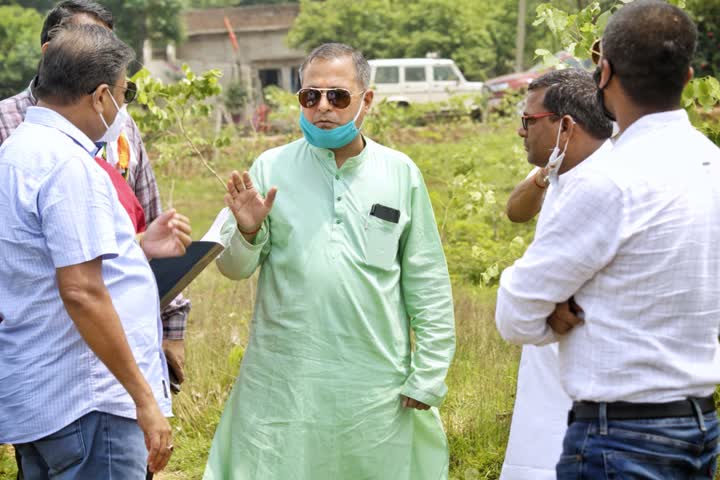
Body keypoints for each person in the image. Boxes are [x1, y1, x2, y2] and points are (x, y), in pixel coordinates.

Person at [204, 43, 456, 480]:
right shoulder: (270, 167)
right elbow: (234, 268)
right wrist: (246, 231)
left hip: (374, 382)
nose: (323, 107)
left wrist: (429, 373)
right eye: (310, 96)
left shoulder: (399, 172)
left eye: (338, 96)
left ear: (367, 100)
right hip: (285, 380)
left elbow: (427, 280)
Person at [495, 1, 720, 478]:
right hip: (698, 425)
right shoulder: (712, 165)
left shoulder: (610, 180)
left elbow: (515, 312)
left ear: (604, 73)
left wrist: (552, 316)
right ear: (687, 76)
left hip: (620, 434)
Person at [0, 24, 191, 478]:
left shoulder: (17, 153)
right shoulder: (68, 165)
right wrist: (144, 399)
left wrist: (139, 247)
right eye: (126, 94)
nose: (124, 108)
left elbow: (43, 263)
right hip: (89, 402)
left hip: (43, 400)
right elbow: (82, 291)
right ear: (101, 96)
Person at [499, 68, 613, 480]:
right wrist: (545, 174)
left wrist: (532, 296)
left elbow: (516, 307)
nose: (520, 131)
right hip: (549, 361)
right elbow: (515, 210)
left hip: (592, 382)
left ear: (565, 126)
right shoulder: (561, 167)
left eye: (528, 121)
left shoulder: (606, 183)